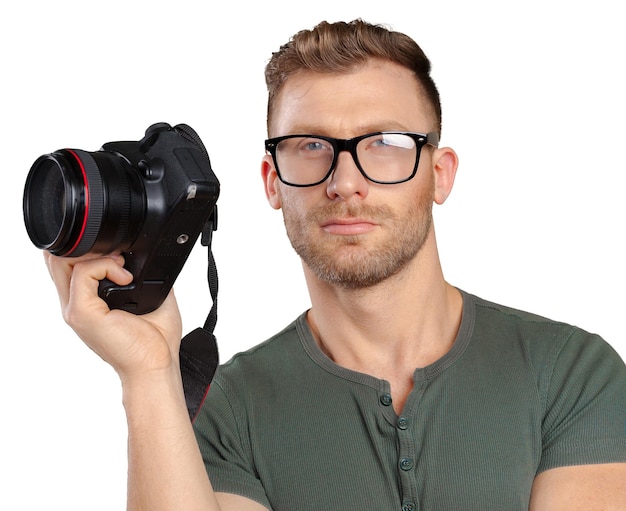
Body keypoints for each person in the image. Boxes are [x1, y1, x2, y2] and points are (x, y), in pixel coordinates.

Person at [45, 19, 626, 511]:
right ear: (273, 183)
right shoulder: (225, 409)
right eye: (311, 146)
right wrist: (148, 376)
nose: (345, 183)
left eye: (385, 143)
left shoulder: (571, 374)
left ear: (439, 174)